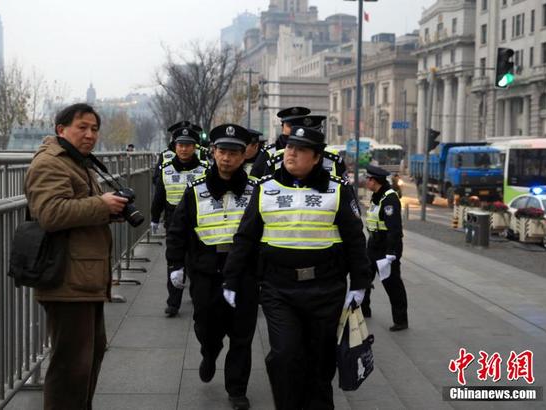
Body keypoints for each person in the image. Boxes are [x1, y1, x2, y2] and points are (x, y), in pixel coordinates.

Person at [222, 126, 372, 410]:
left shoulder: (337, 190)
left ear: (316, 157)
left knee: (320, 359)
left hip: (326, 289)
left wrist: (361, 283)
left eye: (301, 149)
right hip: (279, 290)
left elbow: (355, 239)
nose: (291, 153)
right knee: (283, 354)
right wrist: (231, 279)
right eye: (290, 147)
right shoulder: (265, 189)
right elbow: (245, 237)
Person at [25, 103, 129, 410]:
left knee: (89, 356)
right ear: (61, 129)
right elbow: (51, 214)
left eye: (94, 129)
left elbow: (79, 208)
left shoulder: (75, 161)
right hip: (66, 277)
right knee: (71, 364)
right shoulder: (50, 163)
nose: (89, 134)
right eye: (82, 127)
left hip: (83, 276)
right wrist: (102, 205)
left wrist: (111, 210)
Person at [167, 124, 259, 410]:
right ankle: (210, 352)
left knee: (242, 334)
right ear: (213, 153)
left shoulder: (257, 191)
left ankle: (237, 389)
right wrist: (175, 264)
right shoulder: (196, 191)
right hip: (207, 270)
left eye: (234, 152)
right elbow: (178, 229)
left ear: (244, 156)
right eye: (222, 152)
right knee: (206, 326)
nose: (227, 158)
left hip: (244, 272)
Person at [151, 127, 208, 317]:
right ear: (175, 147)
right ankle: (173, 303)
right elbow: (159, 196)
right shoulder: (166, 170)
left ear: (194, 147)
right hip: (173, 222)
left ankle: (196, 296)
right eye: (181, 145)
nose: (184, 149)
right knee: (174, 261)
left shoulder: (205, 170)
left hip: (197, 223)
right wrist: (154, 218)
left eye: (188, 145)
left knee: (194, 262)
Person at [360, 165, 408, 331]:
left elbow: (395, 229)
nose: (366, 181)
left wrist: (391, 253)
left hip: (386, 248)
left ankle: (401, 320)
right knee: (364, 278)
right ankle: (364, 310)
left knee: (392, 284)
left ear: (375, 181)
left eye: (368, 179)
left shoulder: (389, 199)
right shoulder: (376, 196)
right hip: (373, 244)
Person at [249, 106, 311, 178]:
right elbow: (254, 179)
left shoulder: (313, 152)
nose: (294, 130)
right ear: (282, 127)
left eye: (298, 126)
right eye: (290, 126)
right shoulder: (269, 152)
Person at [152, 121, 204, 185]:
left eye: (187, 144)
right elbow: (156, 179)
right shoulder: (164, 155)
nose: (184, 149)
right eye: (181, 144)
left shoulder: (201, 153)